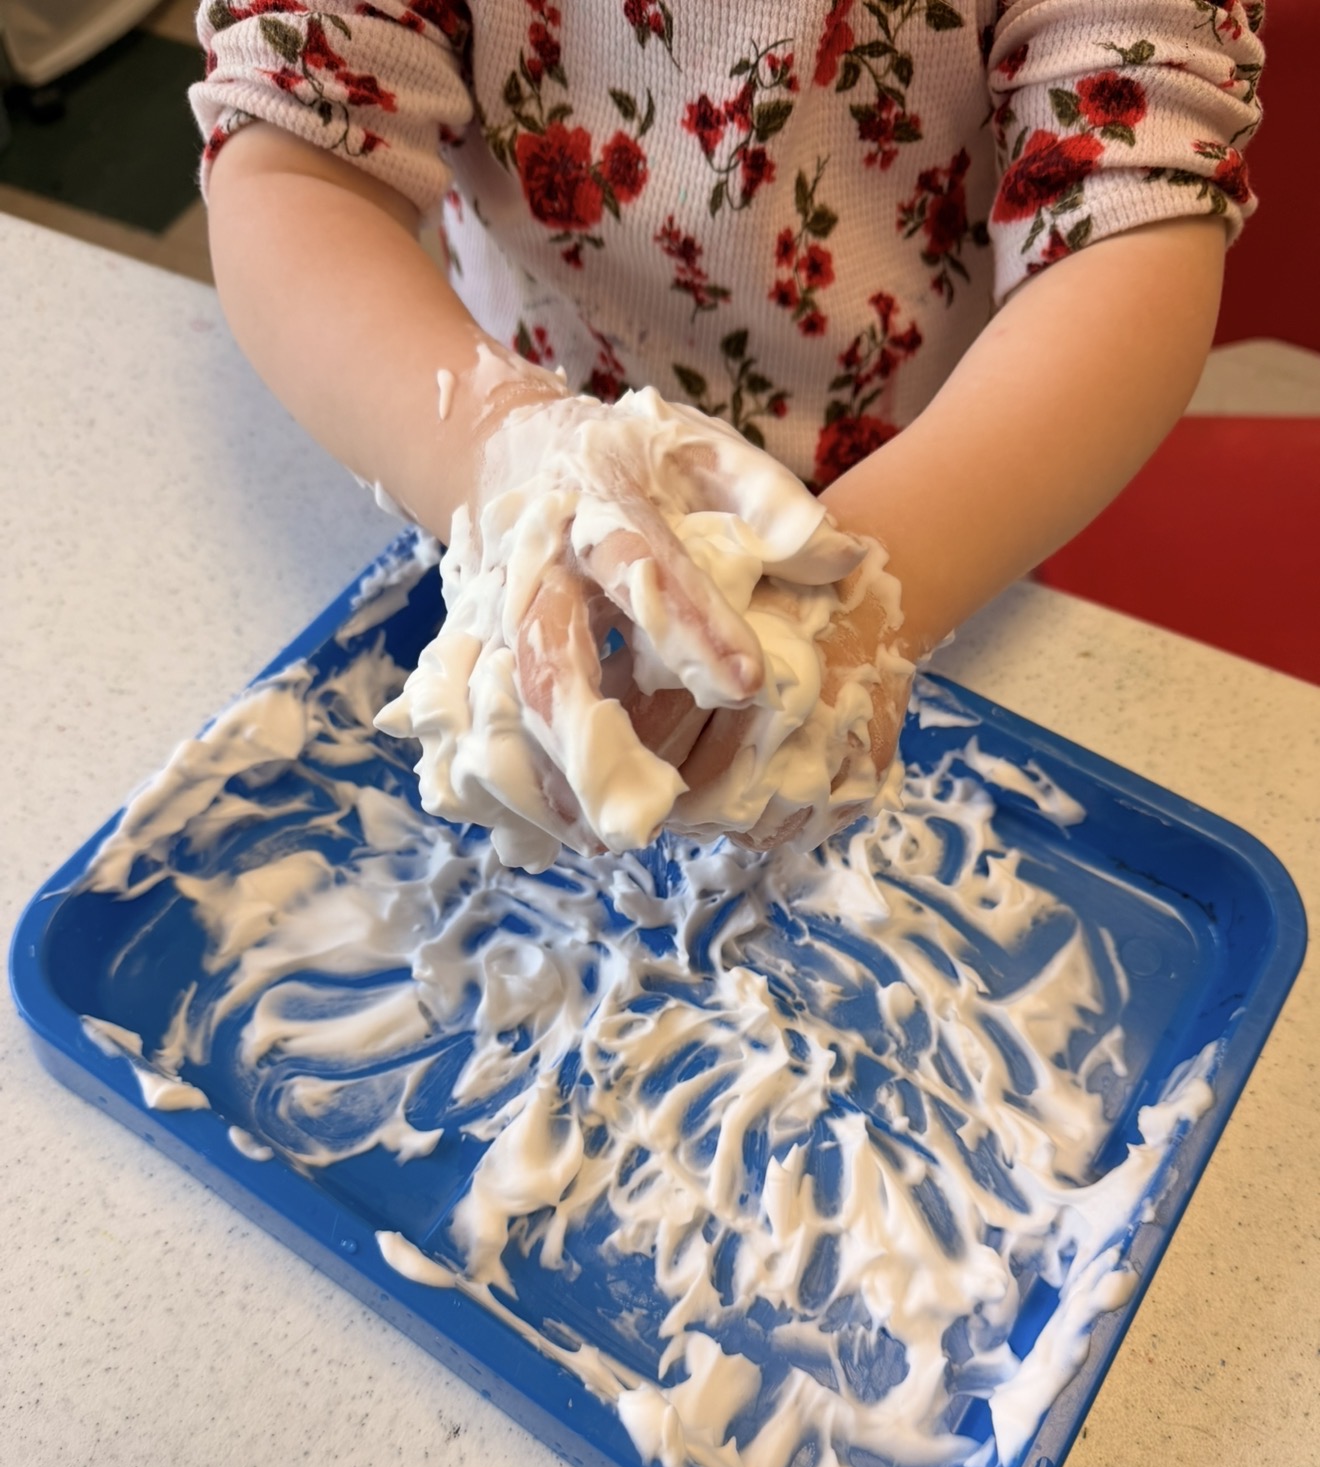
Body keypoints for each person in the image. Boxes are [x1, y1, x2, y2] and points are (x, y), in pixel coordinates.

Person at [193, 0, 1264, 847]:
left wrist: (876, 595)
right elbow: (293, 155)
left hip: (950, 480)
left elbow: (1130, 213)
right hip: (517, 438)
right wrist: (501, 459)